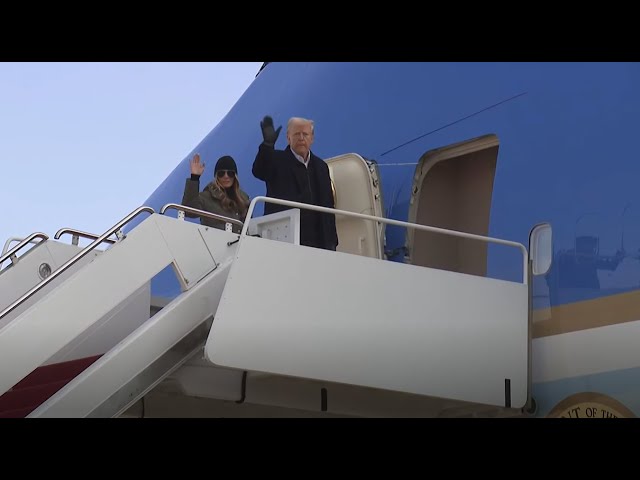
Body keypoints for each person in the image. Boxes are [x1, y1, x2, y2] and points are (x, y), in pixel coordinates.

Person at [252, 115, 338, 251]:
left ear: (312, 138)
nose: (301, 138)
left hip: (319, 241)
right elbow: (259, 171)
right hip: (286, 237)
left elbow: (328, 205)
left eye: (305, 134)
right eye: (297, 134)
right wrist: (267, 146)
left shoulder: (321, 166)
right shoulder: (276, 160)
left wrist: (332, 241)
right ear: (288, 137)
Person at [181, 153, 250, 234]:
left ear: (235, 176)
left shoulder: (244, 199)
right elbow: (188, 211)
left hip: (240, 244)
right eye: (221, 173)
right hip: (213, 243)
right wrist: (194, 178)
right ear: (216, 176)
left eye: (230, 173)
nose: (226, 176)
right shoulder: (207, 197)